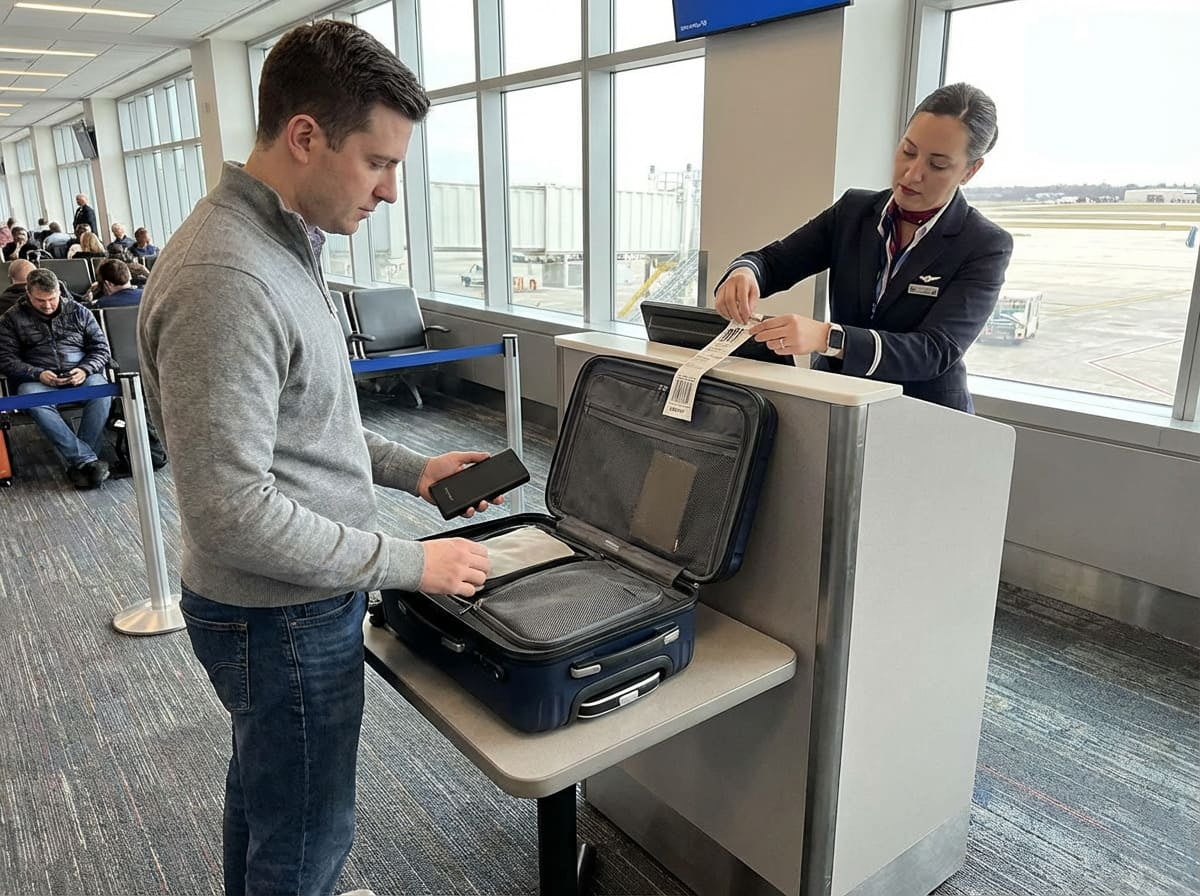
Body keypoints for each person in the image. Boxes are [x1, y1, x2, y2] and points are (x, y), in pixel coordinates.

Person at [138, 19, 497, 896]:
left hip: (283, 609)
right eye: (379, 163)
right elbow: (231, 512)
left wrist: (410, 470)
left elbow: (308, 423)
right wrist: (413, 563)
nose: (390, 191)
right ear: (305, 136)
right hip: (280, 615)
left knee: (269, 800)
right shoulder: (230, 276)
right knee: (306, 836)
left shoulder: (282, 244)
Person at [714, 82, 1012, 414]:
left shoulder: (984, 244)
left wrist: (829, 337)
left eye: (938, 165)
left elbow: (934, 351)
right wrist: (745, 272)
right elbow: (773, 262)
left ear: (970, 170)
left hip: (924, 416)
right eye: (908, 151)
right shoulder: (853, 211)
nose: (912, 174)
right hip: (838, 406)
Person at [0, 268, 111, 488]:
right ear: (28, 294)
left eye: (52, 298)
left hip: (80, 374)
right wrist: (36, 373)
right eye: (41, 301)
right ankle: (88, 460)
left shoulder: (79, 312)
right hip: (38, 379)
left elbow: (101, 349)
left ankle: (82, 461)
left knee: (101, 388)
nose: (48, 305)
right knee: (28, 395)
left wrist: (85, 369)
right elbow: (5, 359)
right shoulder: (11, 319)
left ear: (59, 290)